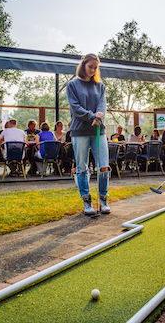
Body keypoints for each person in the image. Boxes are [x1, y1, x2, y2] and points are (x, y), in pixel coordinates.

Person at [66, 53, 110, 215]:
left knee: (103, 166)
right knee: (82, 167)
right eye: (90, 66)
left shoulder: (100, 86)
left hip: (99, 130)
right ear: (83, 65)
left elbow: (102, 105)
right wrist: (93, 116)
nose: (93, 70)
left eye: (95, 67)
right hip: (80, 131)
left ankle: (103, 198)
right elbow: (75, 108)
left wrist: (99, 117)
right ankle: (86, 201)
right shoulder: (72, 85)